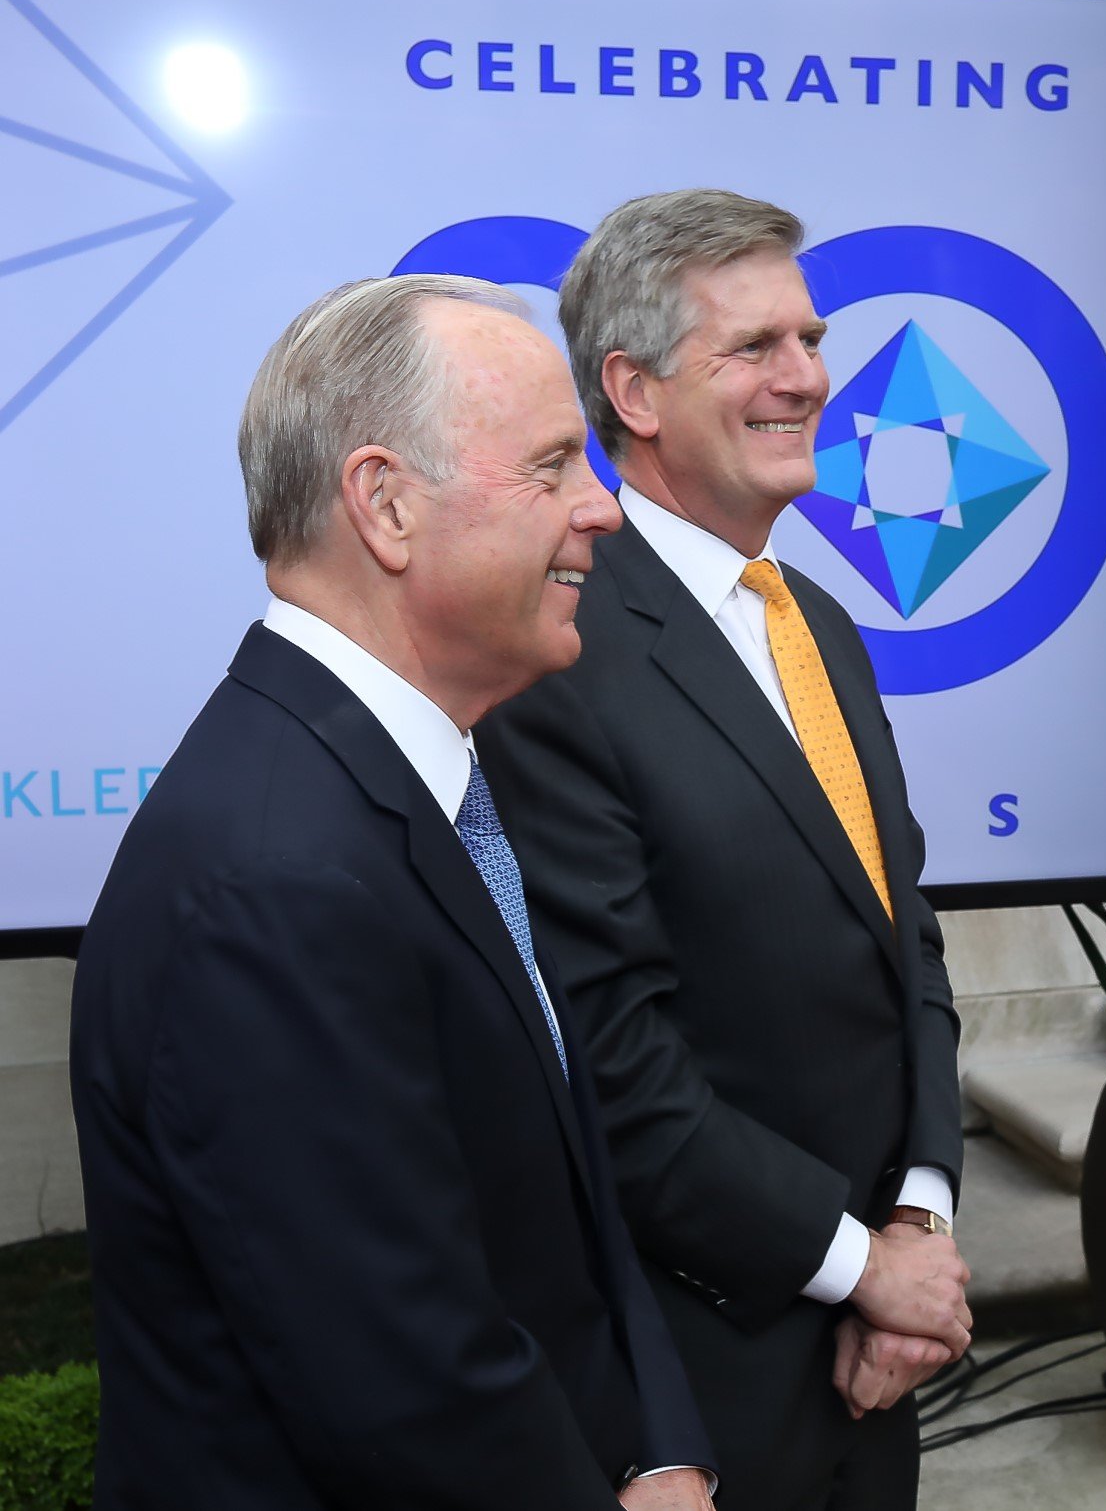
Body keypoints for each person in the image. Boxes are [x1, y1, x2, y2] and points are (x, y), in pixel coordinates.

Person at [69, 277, 719, 1509]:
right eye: (550, 467)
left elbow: (568, 1213)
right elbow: (400, 1381)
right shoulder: (278, 874)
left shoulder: (417, 781)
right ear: (385, 504)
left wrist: (660, 1444)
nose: (603, 510)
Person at [477, 190, 970, 1511]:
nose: (808, 375)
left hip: (880, 1364)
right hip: (706, 1381)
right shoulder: (556, 655)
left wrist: (917, 1217)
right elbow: (615, 1064)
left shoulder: (816, 617)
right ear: (632, 390)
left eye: (809, 337)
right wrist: (861, 1263)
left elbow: (901, 930)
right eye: (755, 347)